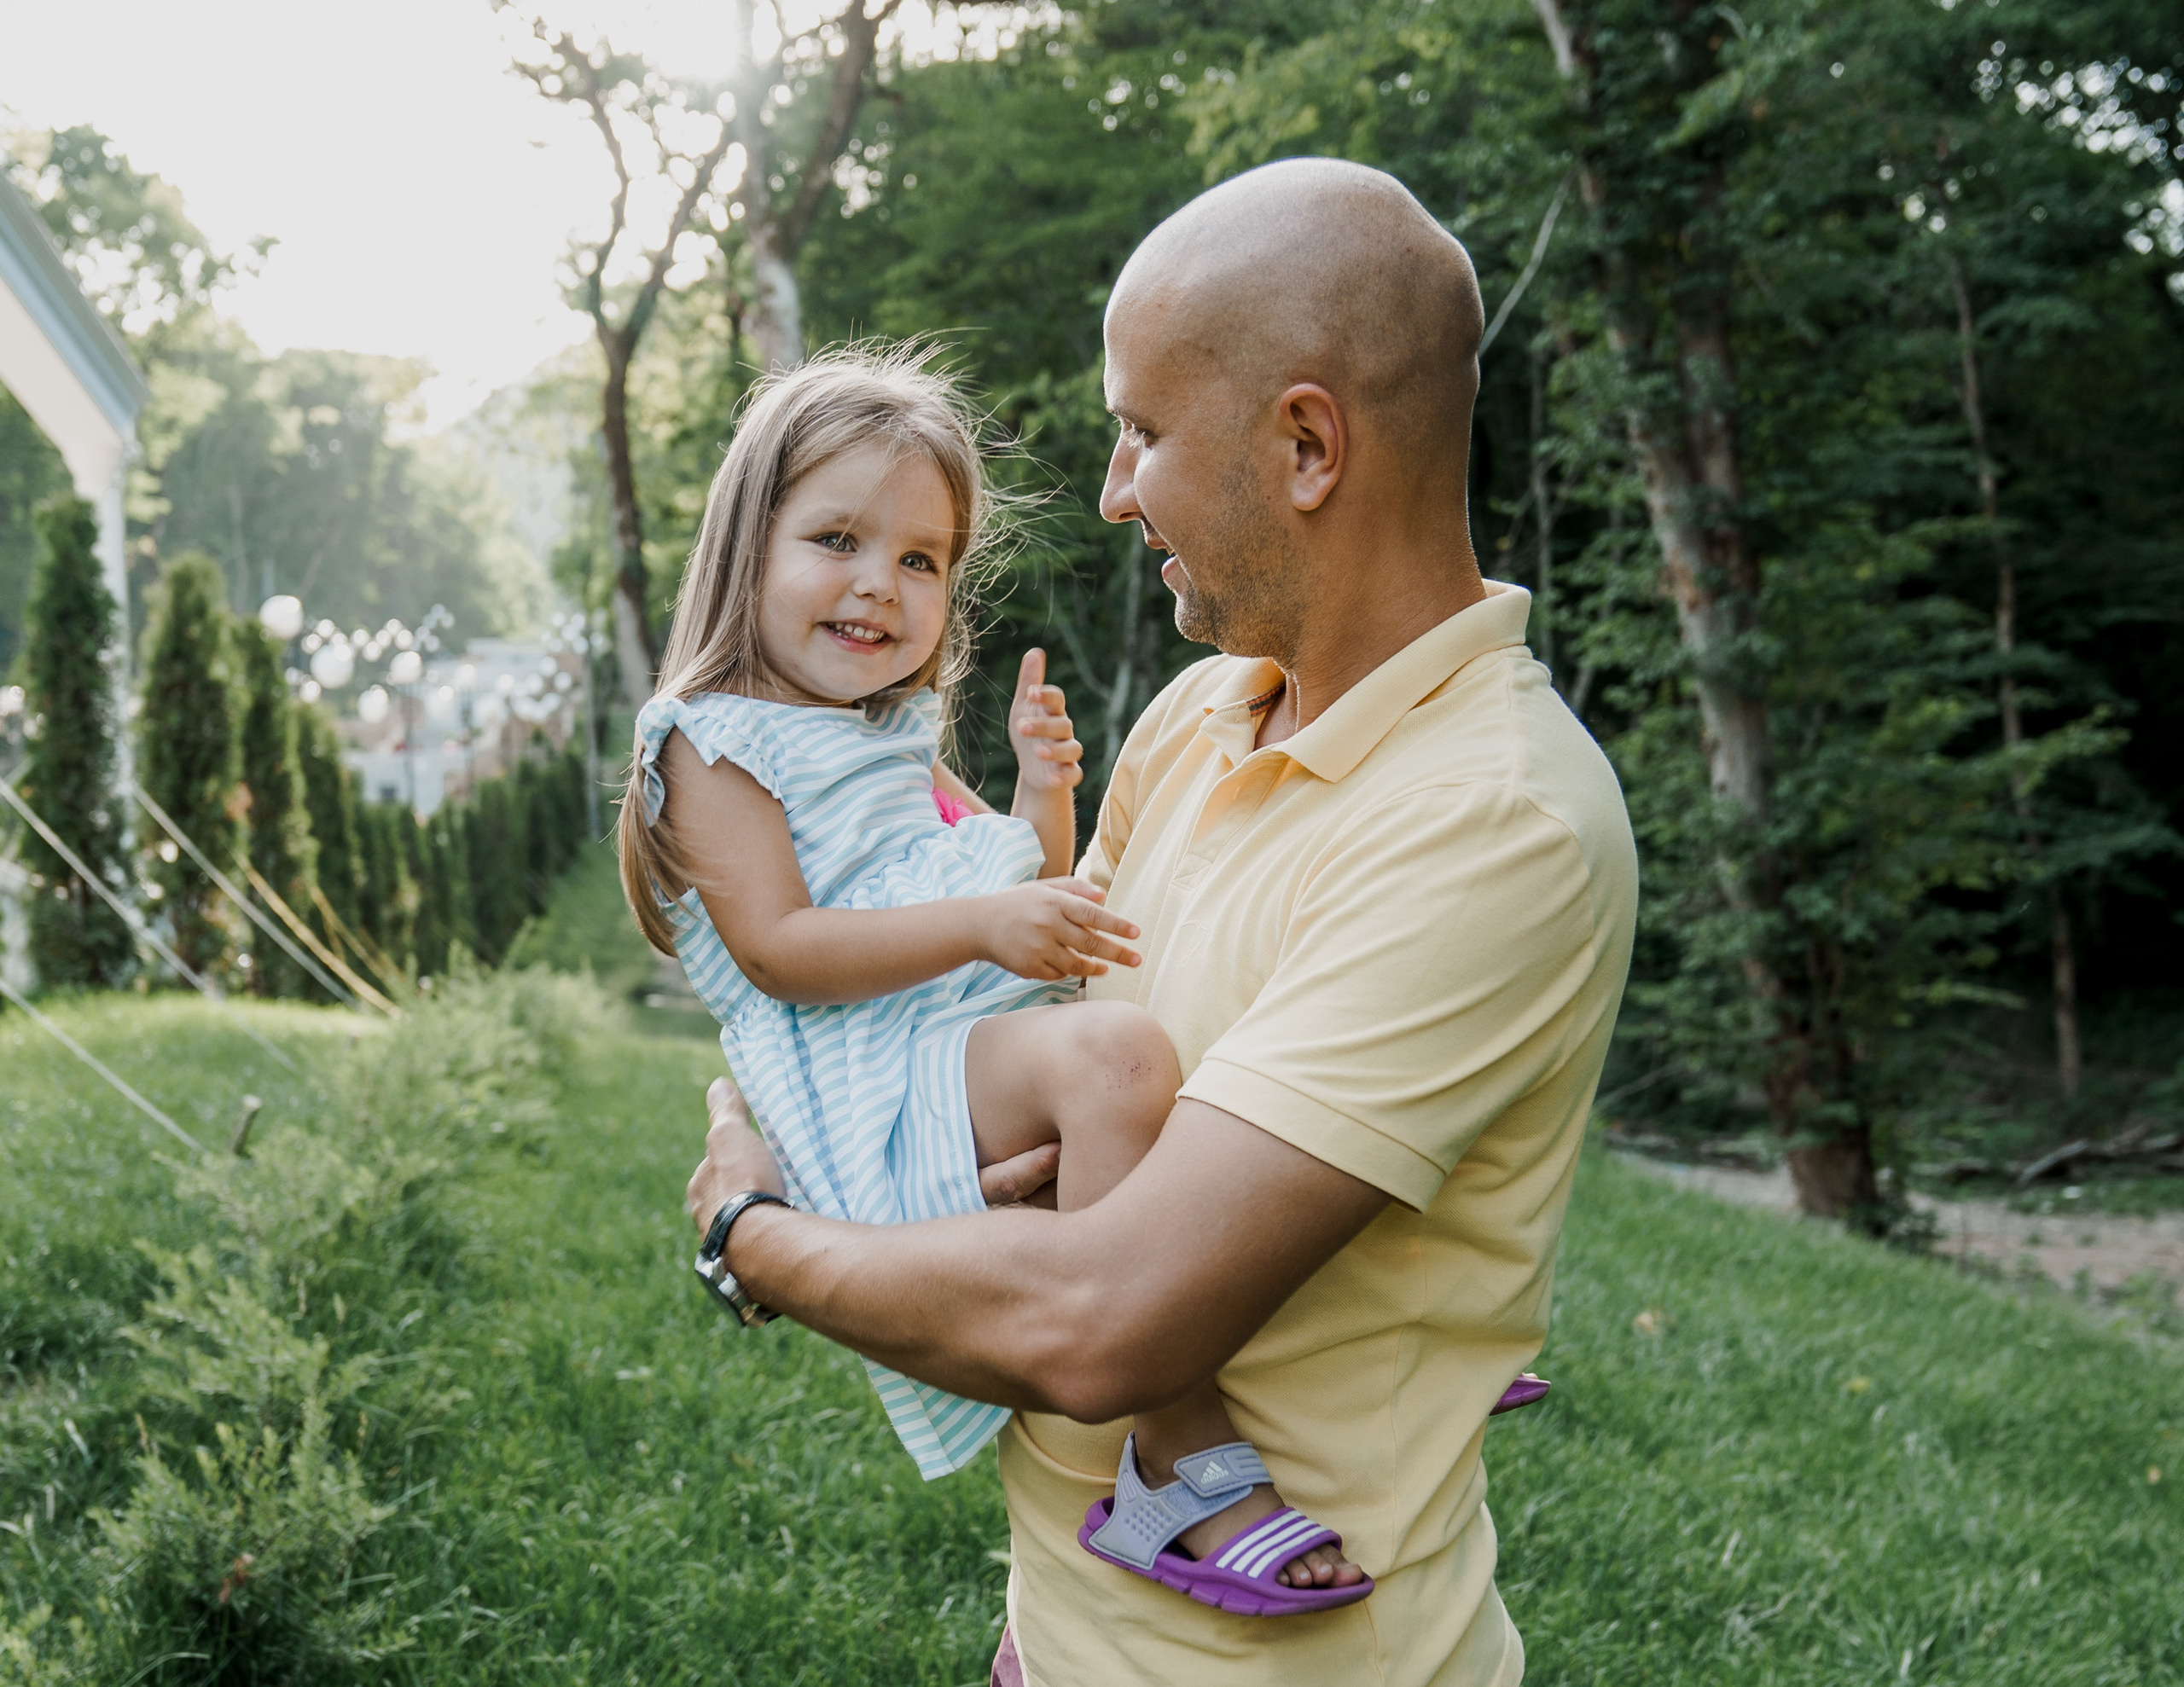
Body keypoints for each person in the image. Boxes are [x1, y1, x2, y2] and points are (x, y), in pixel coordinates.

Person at [684, 158, 1640, 1686]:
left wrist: (753, 1229)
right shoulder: (1200, 716)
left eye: (1140, 431)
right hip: (1056, 1637)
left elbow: (1099, 1321)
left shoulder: (1493, 822)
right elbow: (1036, 1101)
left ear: (1308, 444)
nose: (1116, 486)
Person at [621, 346, 1370, 1609]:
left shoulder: (884, 734)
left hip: (942, 1040)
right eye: (839, 539)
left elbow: (1030, 888)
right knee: (1121, 1056)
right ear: (747, 546)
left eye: (920, 560)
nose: (881, 586)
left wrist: (1042, 788)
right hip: (866, 1080)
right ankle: (1177, 1453)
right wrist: (985, 926)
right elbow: (781, 951)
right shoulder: (712, 737)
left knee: (1165, 1020)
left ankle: (1316, 1344)